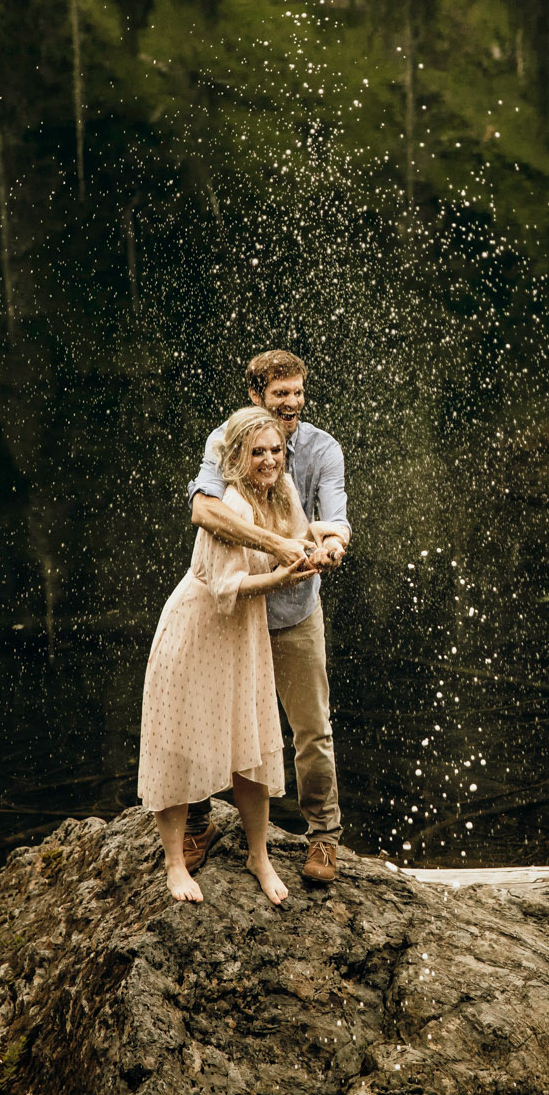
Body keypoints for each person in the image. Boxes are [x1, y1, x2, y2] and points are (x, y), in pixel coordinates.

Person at [137, 408, 344, 903]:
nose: (270, 459)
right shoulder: (230, 503)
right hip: (201, 629)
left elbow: (296, 534)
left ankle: (260, 856)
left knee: (251, 746)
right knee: (184, 742)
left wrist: (324, 542)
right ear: (237, 457)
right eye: (258, 452)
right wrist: (283, 577)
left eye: (275, 450)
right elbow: (229, 587)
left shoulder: (284, 490)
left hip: (242, 635)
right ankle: (174, 865)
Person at [187, 350, 352, 883]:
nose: (293, 403)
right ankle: (197, 820)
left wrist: (330, 545)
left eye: (299, 392)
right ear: (257, 395)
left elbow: (332, 516)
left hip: (295, 610)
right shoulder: (226, 440)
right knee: (210, 719)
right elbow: (204, 510)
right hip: (234, 608)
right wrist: (279, 546)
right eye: (281, 394)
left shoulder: (324, 448)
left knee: (311, 729)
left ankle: (324, 836)